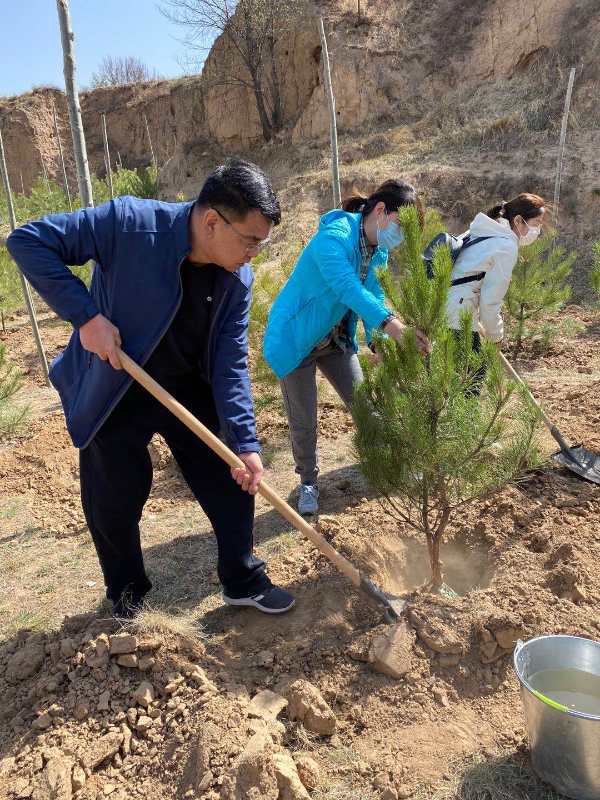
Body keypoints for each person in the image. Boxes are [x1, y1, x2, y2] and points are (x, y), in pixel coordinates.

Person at [7, 159, 296, 617]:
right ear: (211, 222)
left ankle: (241, 577)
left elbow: (229, 362)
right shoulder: (130, 224)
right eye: (250, 240)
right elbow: (28, 241)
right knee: (114, 501)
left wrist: (244, 442)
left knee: (232, 476)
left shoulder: (235, 279)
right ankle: (127, 596)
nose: (254, 253)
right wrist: (86, 317)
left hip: (189, 387)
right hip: (116, 385)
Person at [263, 179, 430, 516]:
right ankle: (308, 482)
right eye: (401, 225)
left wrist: (378, 339)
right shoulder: (334, 236)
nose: (400, 238)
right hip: (297, 339)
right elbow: (347, 288)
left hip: (336, 341)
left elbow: (373, 297)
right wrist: (394, 327)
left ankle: (389, 466)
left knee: (365, 403)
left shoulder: (377, 250)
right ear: (381, 210)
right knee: (304, 418)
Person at [445, 193, 546, 391]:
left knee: (454, 379)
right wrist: (495, 335)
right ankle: (464, 421)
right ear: (518, 221)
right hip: (457, 314)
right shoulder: (506, 245)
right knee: (471, 380)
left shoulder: (485, 229)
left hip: (444, 305)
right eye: (535, 223)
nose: (537, 230)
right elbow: (490, 300)